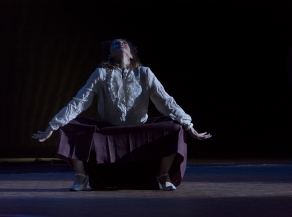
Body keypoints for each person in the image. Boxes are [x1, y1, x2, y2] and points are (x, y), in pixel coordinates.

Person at [32, 39, 212, 191]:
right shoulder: (101, 73)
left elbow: (166, 101)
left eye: (124, 43)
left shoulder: (144, 73)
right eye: (115, 43)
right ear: (110, 54)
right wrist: (52, 125)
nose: (119, 43)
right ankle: (81, 177)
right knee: (69, 126)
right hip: (109, 131)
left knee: (175, 127)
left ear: (131, 54)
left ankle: (163, 175)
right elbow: (79, 101)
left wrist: (189, 125)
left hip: (140, 131)